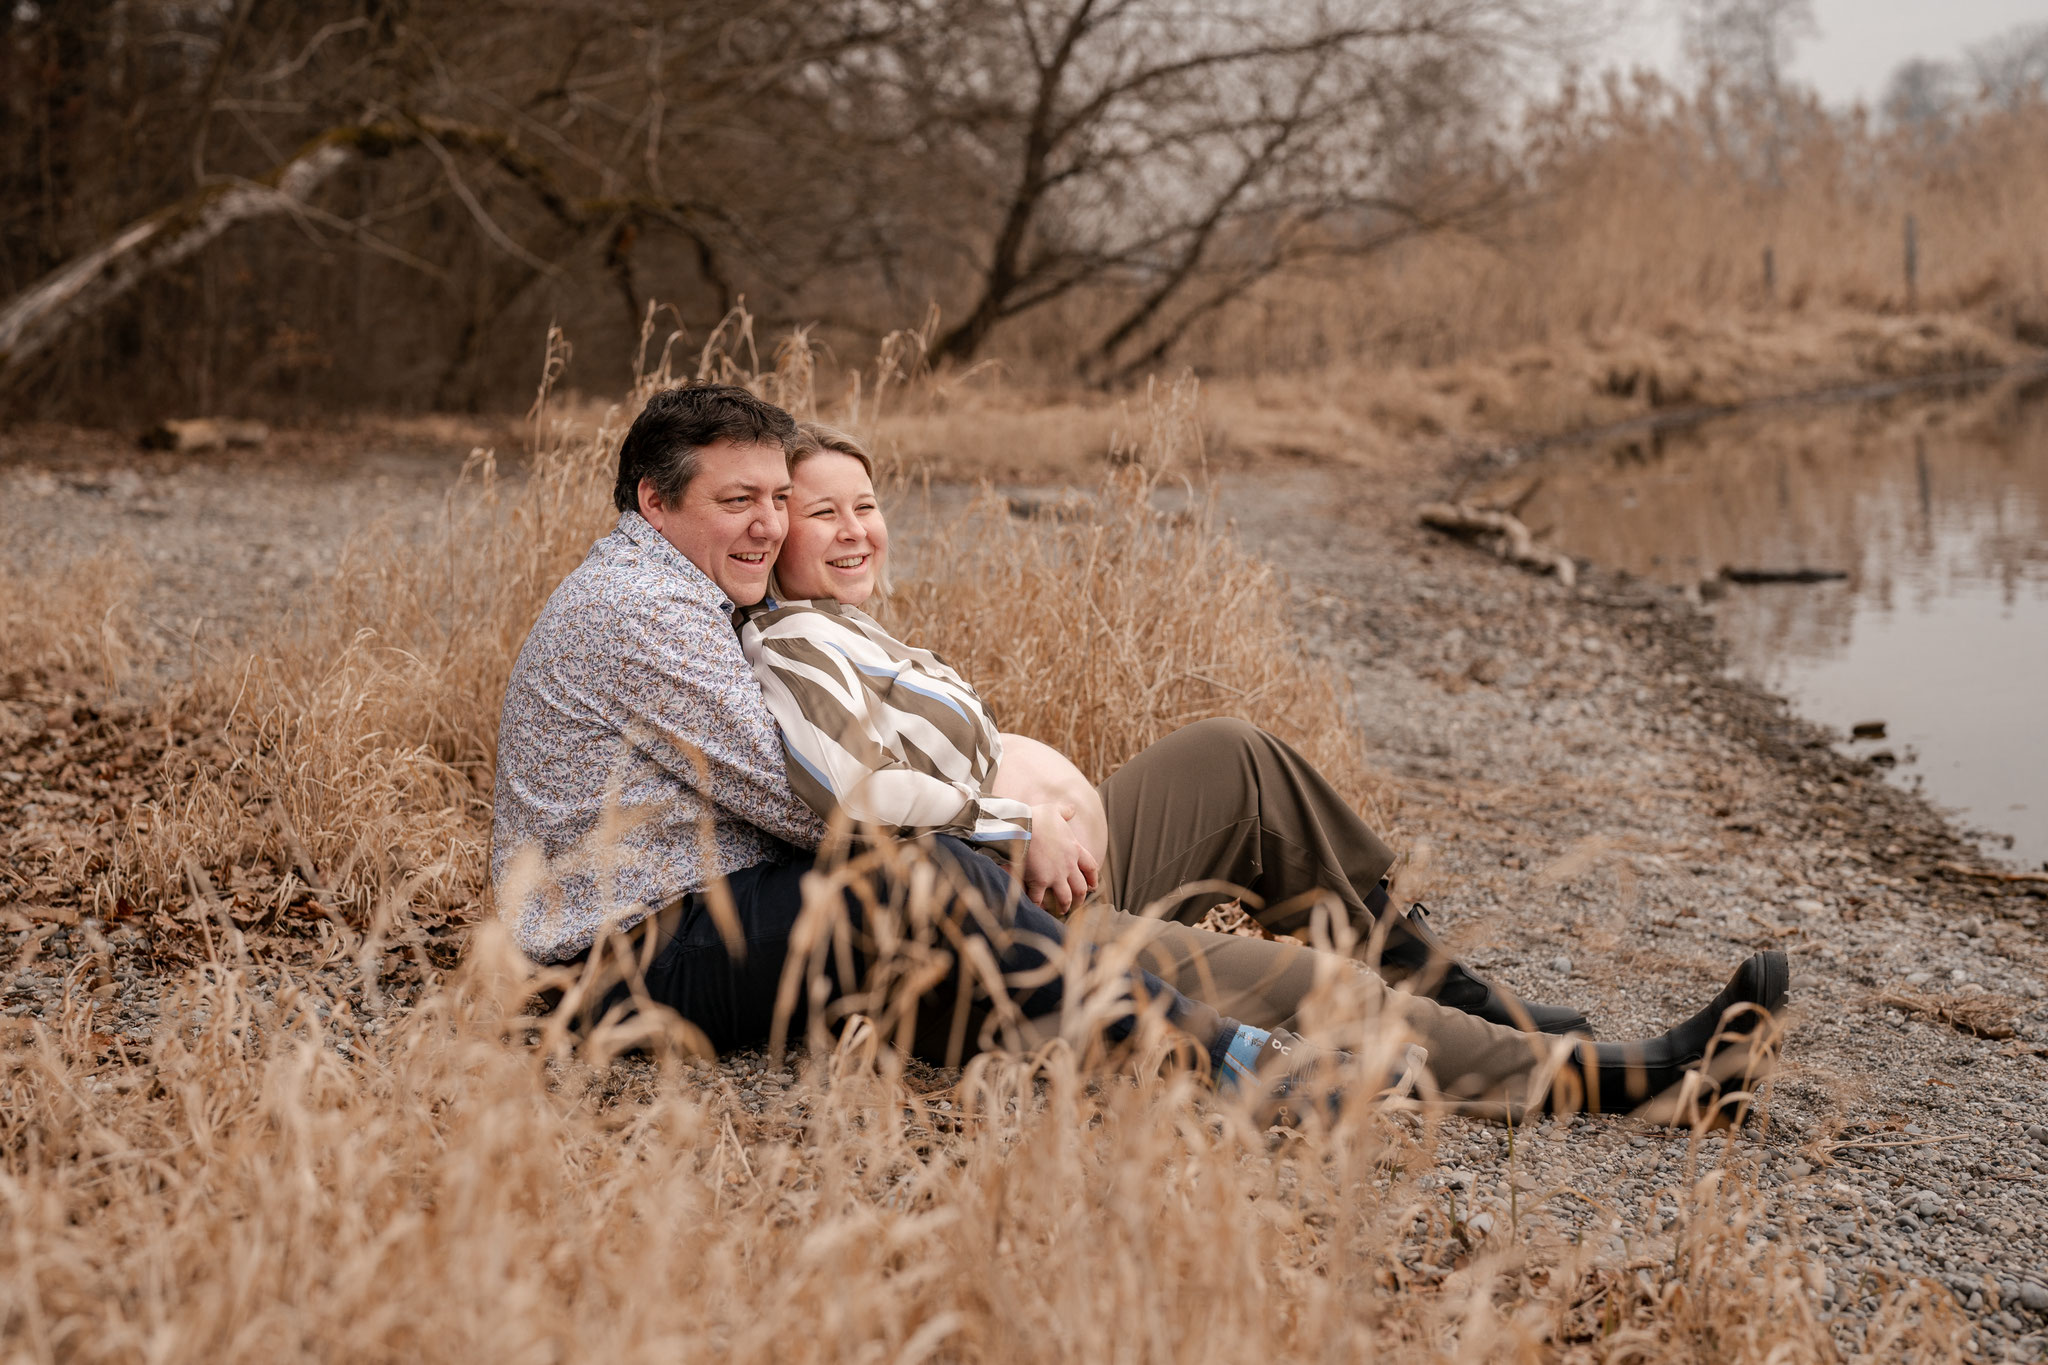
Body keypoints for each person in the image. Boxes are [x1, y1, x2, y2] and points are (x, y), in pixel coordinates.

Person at [492, 384, 1790, 1121]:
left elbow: (858, 773)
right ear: (654, 503)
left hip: (899, 896)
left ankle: (1472, 1001)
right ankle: (1591, 1082)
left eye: (821, 501)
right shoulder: (659, 615)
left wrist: (1024, 774)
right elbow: (834, 809)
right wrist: (1013, 813)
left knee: (1235, 756)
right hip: (692, 944)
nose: (793, 522)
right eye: (760, 503)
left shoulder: (750, 608)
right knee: (1239, 968)